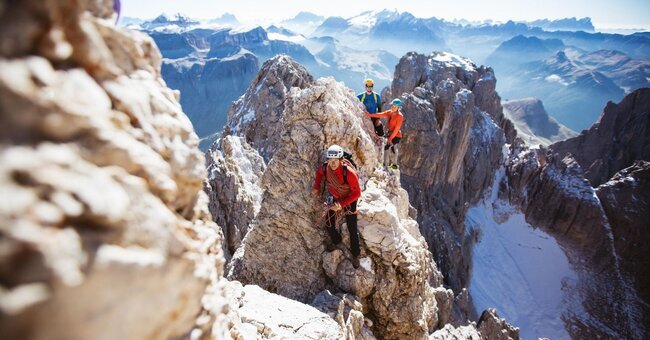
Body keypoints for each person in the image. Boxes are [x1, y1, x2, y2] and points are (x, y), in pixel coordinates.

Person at [312, 145, 362, 268]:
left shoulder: (349, 173)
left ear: (340, 160)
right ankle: (336, 240)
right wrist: (316, 188)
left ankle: (356, 254)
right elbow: (319, 174)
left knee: (352, 229)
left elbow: (357, 193)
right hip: (335, 196)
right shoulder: (326, 168)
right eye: (330, 160)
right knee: (329, 223)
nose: (332, 163)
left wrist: (340, 205)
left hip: (349, 198)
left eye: (335, 160)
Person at [367, 99, 404, 170]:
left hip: (396, 135)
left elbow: (396, 129)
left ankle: (385, 165)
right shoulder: (390, 112)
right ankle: (394, 164)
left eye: (395, 107)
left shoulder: (400, 116)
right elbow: (380, 114)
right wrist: (369, 114)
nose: (393, 107)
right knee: (393, 148)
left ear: (398, 108)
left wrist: (390, 139)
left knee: (387, 147)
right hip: (390, 133)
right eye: (393, 106)